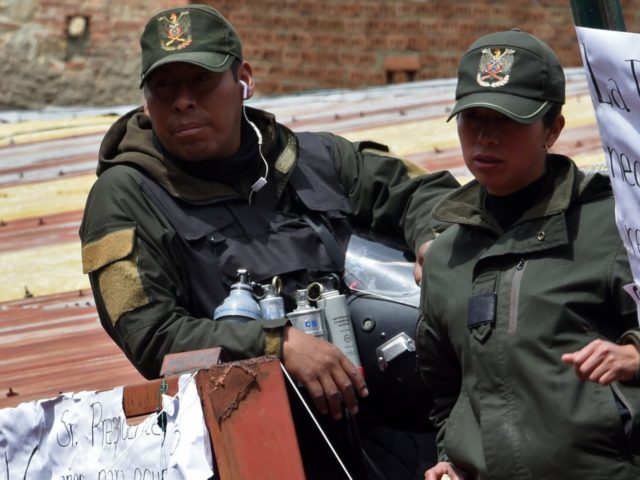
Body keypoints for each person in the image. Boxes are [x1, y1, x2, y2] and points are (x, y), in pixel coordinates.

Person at [79, 4, 458, 479]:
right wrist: (275, 345)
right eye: (164, 87)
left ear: (244, 80)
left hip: (398, 423)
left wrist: (434, 240)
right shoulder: (124, 197)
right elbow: (156, 340)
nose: (181, 102)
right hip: (258, 444)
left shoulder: (316, 159)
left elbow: (427, 193)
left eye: (200, 81)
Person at [416, 29, 640, 480]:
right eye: (472, 118)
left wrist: (636, 356)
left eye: (507, 119)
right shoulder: (444, 257)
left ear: (553, 129)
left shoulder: (611, 225)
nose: (485, 137)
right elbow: (448, 393)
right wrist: (453, 459)